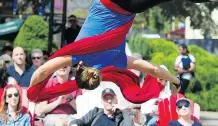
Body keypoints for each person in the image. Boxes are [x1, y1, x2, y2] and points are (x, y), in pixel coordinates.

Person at [28, 0, 213, 103]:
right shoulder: (77, 56)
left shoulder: (115, 61)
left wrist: (176, 81)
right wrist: (31, 93)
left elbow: (154, 70)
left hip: (130, 8)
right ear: (79, 68)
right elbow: (43, 71)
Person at [68, 88, 135, 126]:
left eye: (111, 98)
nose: (109, 101)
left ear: (116, 99)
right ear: (101, 101)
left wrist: (124, 109)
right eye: (106, 98)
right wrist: (74, 124)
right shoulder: (96, 112)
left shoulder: (120, 117)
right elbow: (81, 121)